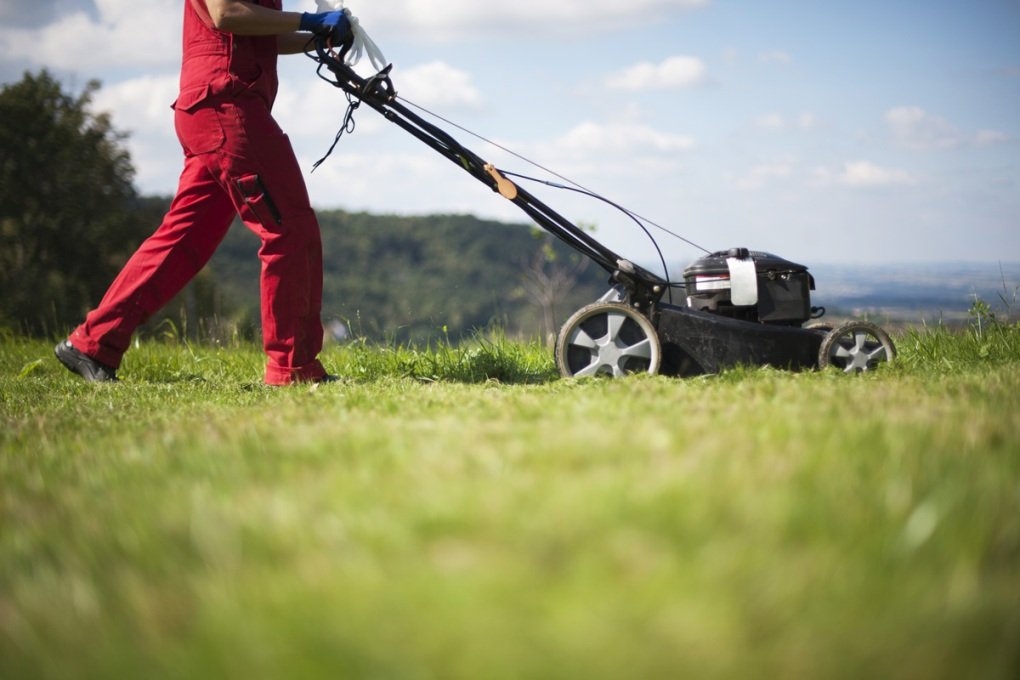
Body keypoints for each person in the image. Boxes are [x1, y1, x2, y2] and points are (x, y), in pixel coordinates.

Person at [55, 0, 348, 385]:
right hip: (228, 105)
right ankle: (293, 368)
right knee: (289, 228)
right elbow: (225, 14)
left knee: (183, 241)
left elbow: (262, 34)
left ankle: (94, 342)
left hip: (213, 107)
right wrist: (308, 19)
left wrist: (315, 37)